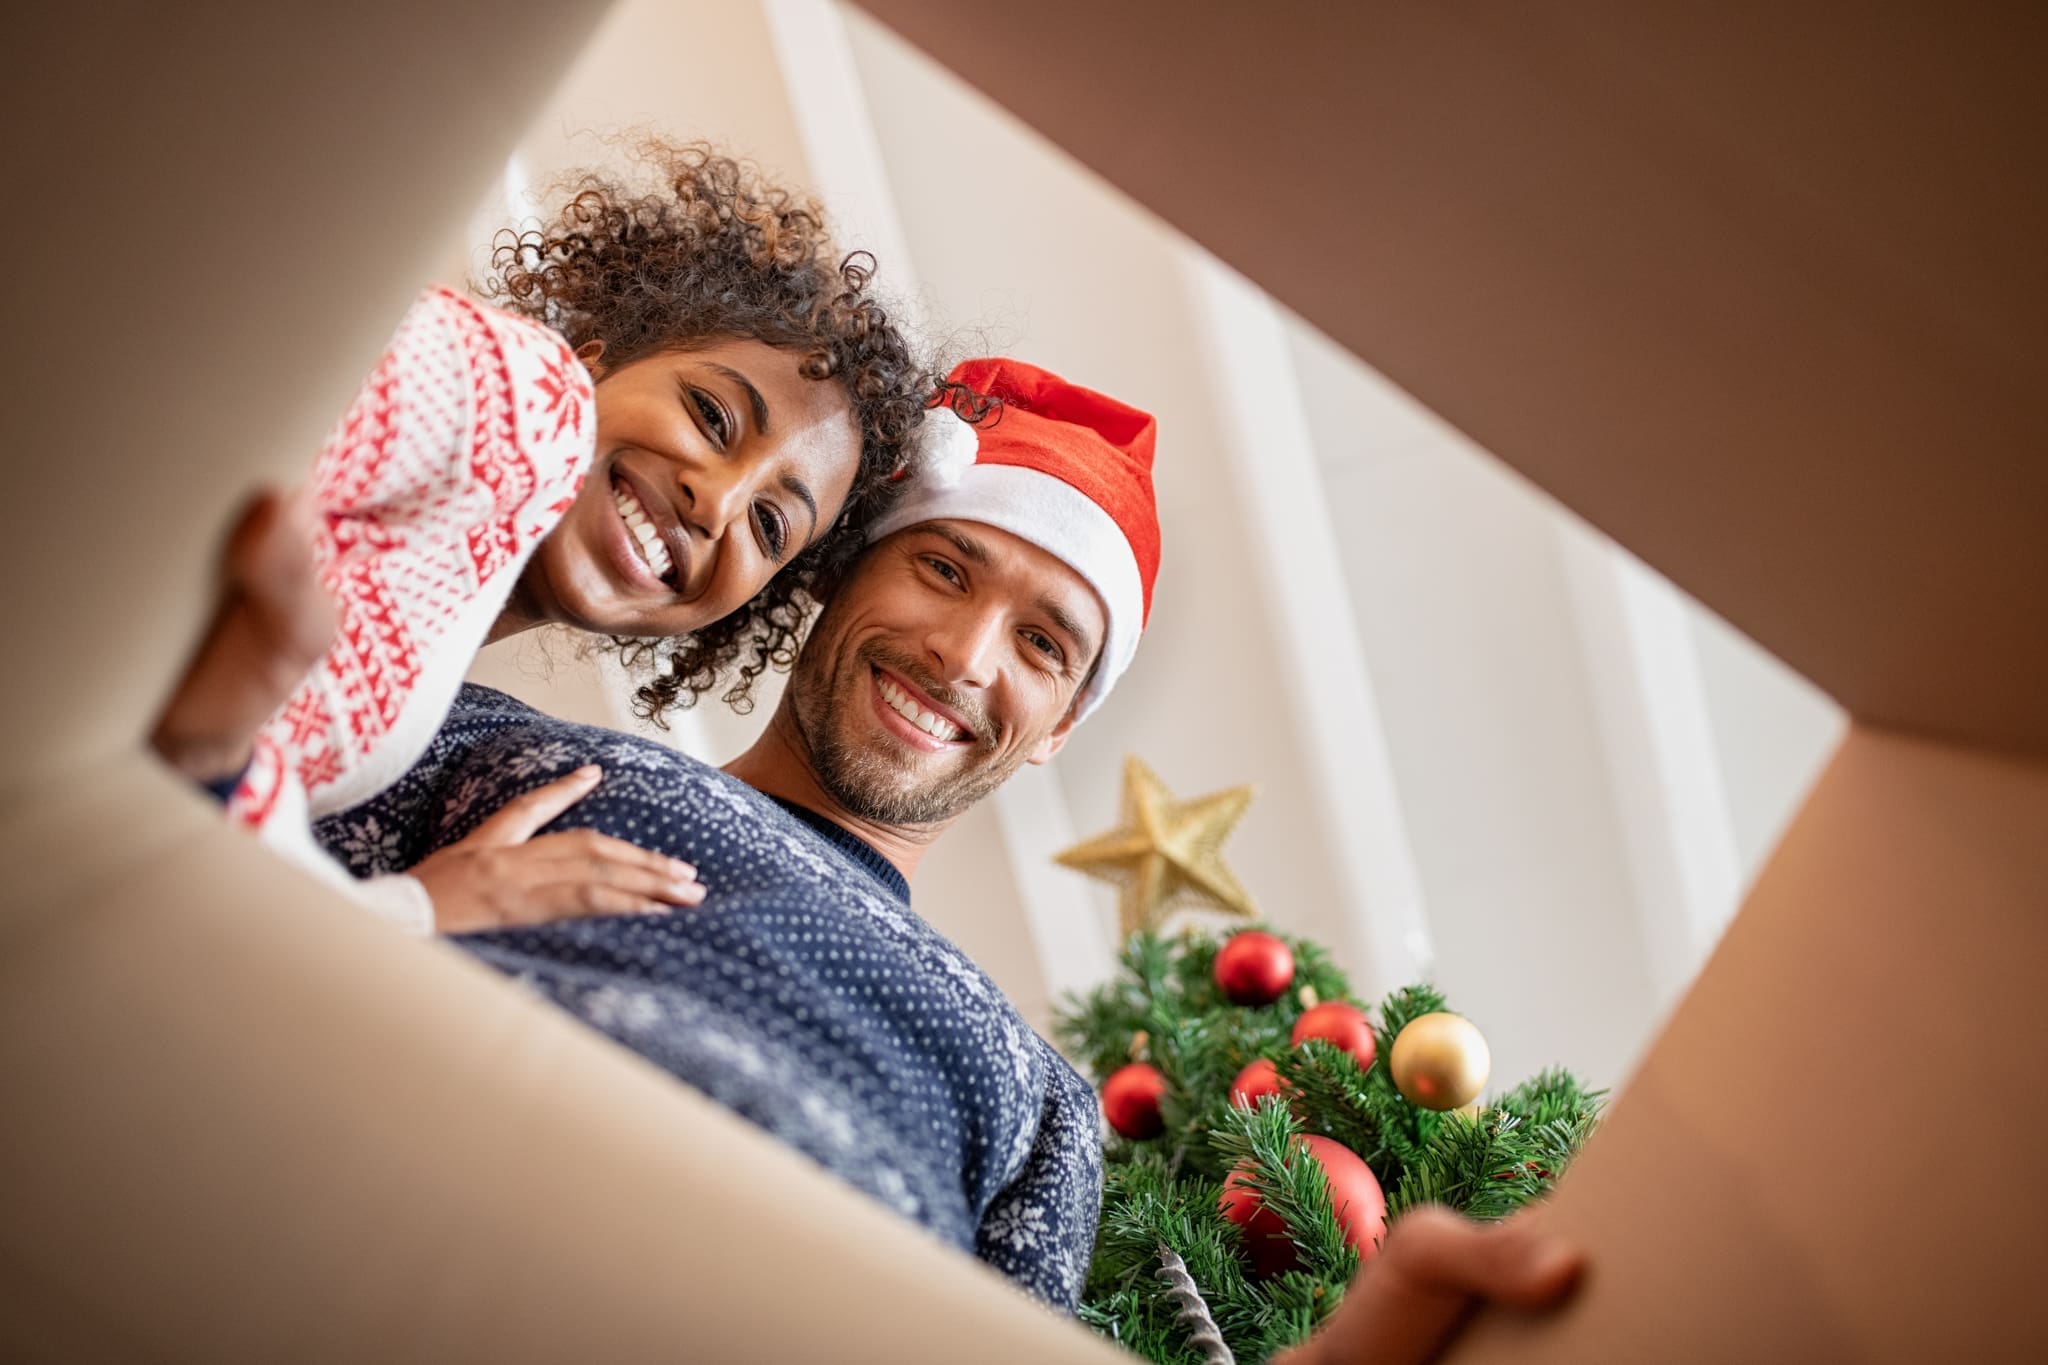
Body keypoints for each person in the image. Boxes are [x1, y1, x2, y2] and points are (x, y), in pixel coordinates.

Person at [315, 359, 1585, 1356]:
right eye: (940, 568)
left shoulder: (1045, 1102)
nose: (966, 658)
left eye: (1043, 647)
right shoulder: (509, 746)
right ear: (836, 575)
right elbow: (217, 848)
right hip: (411, 1195)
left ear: (1057, 735)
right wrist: (407, 918)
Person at [150, 139, 938, 935]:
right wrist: (417, 907)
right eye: (712, 415)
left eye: (770, 525)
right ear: (593, 361)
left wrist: (413, 906)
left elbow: (199, 826)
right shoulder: (522, 399)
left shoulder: (440, 660)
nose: (718, 502)